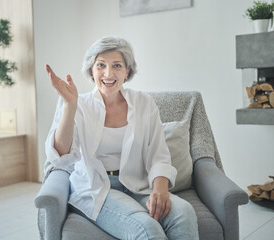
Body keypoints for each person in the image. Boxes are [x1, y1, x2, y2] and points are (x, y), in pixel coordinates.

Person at [45, 36, 199, 240]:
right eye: (101, 65)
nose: (108, 74)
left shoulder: (144, 103)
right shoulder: (78, 105)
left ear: (127, 72)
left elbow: (159, 154)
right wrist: (70, 106)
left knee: (184, 212)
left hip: (139, 184)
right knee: (147, 229)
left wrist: (160, 188)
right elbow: (61, 155)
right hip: (98, 189)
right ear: (92, 70)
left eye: (116, 65)